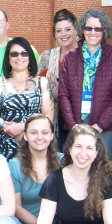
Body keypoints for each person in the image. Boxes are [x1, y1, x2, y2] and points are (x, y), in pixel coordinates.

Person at [58, 9, 112, 164]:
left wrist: (100, 125)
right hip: (77, 123)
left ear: (104, 31)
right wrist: (73, 125)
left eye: (98, 29)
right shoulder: (70, 57)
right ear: (82, 30)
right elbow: (63, 94)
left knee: (104, 169)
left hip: (106, 126)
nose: (92, 32)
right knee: (77, 166)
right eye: (88, 28)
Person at [0, 37, 52, 161]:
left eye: (24, 53)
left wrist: (22, 127)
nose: (19, 57)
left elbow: (48, 118)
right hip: (3, 147)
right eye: (14, 54)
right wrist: (6, 127)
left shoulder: (42, 83)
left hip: (33, 144)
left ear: (30, 57)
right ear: (8, 58)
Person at [8, 114, 63, 224]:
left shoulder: (63, 162)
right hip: (30, 223)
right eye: (33, 132)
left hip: (59, 221)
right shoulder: (14, 165)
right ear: (25, 136)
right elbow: (15, 207)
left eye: (45, 132)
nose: (40, 137)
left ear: (51, 136)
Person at [38, 9, 79, 149]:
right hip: (55, 118)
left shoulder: (86, 55)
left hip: (81, 117)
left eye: (68, 29)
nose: (63, 34)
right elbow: (37, 89)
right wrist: (53, 93)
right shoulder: (47, 57)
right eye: (59, 31)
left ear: (76, 30)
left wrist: (59, 93)